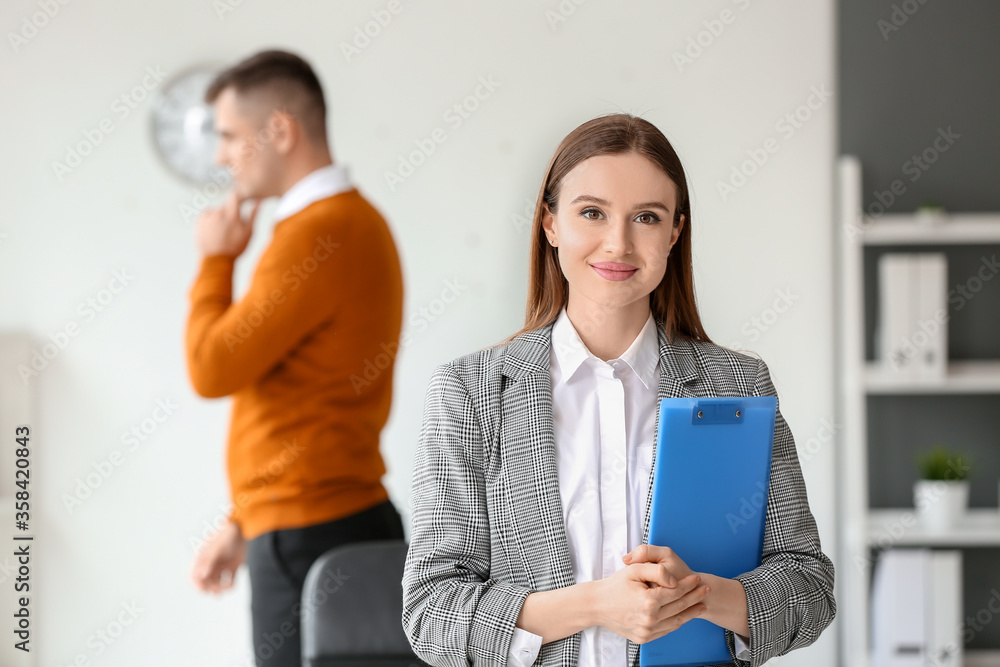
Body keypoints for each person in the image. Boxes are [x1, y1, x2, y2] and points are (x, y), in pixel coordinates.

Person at [401, 113, 835, 666]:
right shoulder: (470, 392)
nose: (619, 243)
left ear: (675, 233)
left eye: (647, 218)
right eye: (592, 213)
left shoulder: (738, 385)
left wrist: (701, 596)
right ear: (551, 224)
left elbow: (809, 586)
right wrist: (596, 605)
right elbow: (432, 611)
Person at [185, 49, 406, 667]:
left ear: (279, 130)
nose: (221, 155)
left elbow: (211, 368)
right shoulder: (355, 223)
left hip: (310, 534)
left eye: (228, 135)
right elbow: (309, 400)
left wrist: (215, 259)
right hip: (333, 519)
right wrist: (244, 519)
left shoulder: (318, 232)